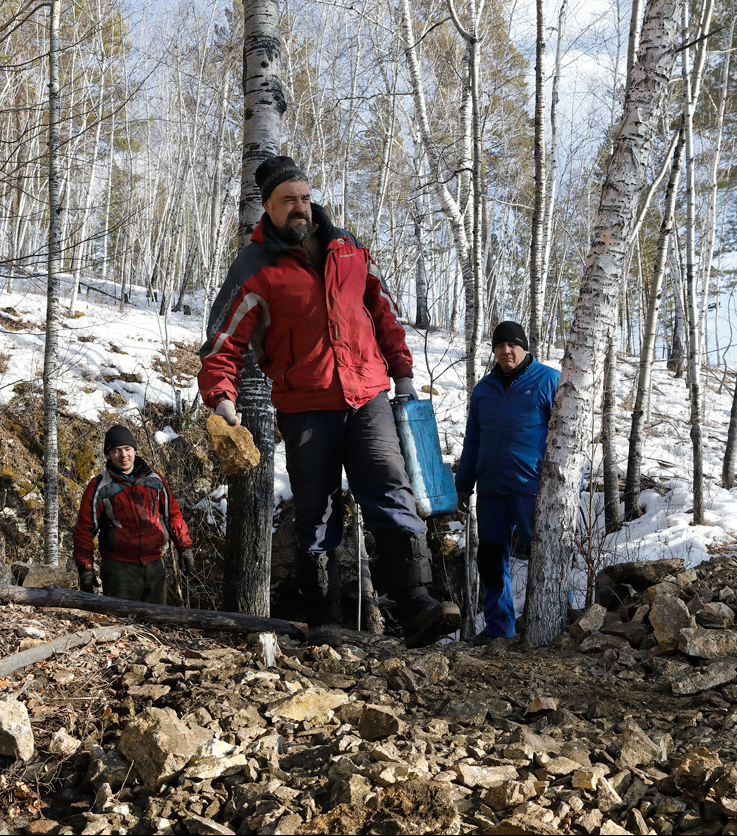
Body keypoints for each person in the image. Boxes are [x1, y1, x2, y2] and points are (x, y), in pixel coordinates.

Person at [199, 155, 460, 647]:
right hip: (305, 407)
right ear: (268, 208)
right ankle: (325, 621)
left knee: (391, 488)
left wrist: (402, 372)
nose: (299, 207)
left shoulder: (349, 248)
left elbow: (382, 312)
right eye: (287, 201)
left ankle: (418, 604)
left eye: (303, 196)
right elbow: (222, 342)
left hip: (368, 396)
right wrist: (221, 398)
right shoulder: (255, 267)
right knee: (316, 510)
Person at [455, 321, 560, 643]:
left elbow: (569, 437)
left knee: (546, 556)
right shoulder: (484, 389)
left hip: (532, 489)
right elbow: (473, 439)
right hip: (490, 490)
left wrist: (566, 486)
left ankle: (558, 623)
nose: (506, 351)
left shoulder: (549, 380)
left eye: (512, 344)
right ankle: (499, 628)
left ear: (524, 347)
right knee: (490, 559)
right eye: (499, 345)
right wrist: (464, 481)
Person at [74, 424, 193, 604]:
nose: (123, 455)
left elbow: (173, 515)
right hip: (118, 570)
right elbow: (85, 529)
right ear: (108, 455)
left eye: (127, 449)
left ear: (135, 450)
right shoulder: (99, 486)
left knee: (157, 624)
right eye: (116, 451)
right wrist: (85, 568)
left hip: (154, 566)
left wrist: (184, 548)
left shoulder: (155, 480)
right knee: (122, 625)